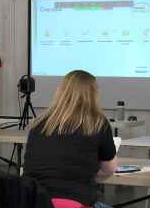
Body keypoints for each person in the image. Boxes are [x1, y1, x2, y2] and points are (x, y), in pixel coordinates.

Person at [24, 70, 118, 208]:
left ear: (61, 91)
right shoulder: (98, 122)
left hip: (33, 201)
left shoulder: (39, 123)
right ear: (93, 94)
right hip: (75, 201)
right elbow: (109, 168)